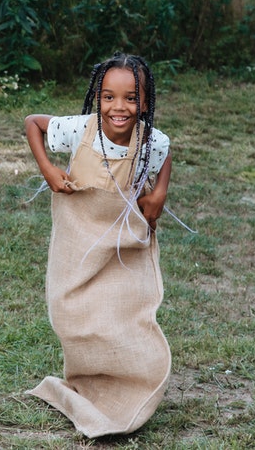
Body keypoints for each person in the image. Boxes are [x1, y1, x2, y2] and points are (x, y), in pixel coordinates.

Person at [24, 52, 172, 439]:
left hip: (120, 241)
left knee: (122, 312)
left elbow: (166, 151)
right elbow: (32, 124)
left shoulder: (150, 140)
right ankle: (87, 377)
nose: (118, 107)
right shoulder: (80, 129)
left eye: (130, 98)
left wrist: (159, 193)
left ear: (145, 102)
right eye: (108, 97)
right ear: (98, 98)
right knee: (68, 310)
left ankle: (129, 386)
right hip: (78, 235)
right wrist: (48, 168)